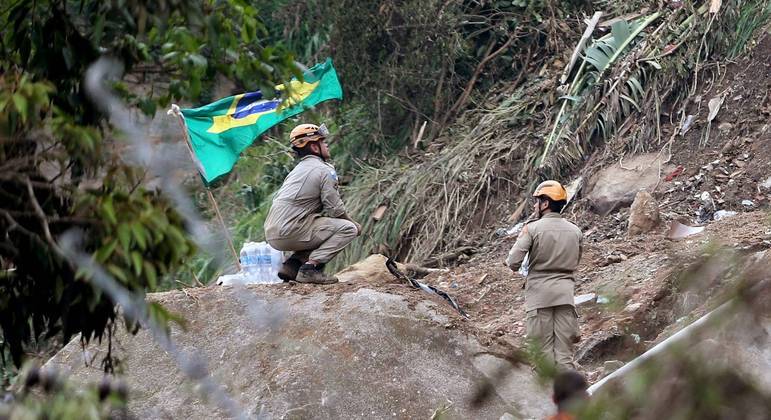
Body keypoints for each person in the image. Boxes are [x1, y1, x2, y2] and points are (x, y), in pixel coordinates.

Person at [264, 123, 361, 284]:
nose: (327, 144)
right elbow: (335, 208)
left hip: (273, 234)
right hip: (291, 230)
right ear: (315, 148)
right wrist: (353, 223)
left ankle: (292, 265)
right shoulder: (324, 170)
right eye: (323, 142)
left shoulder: (297, 170)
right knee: (347, 229)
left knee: (318, 229)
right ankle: (310, 269)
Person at [506, 180, 583, 370]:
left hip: (540, 298)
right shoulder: (576, 231)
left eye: (537, 201)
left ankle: (548, 398)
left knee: (543, 356)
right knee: (565, 357)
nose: (534, 205)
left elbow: (513, 262)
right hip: (566, 297)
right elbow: (576, 260)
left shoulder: (532, 229)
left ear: (546, 203)